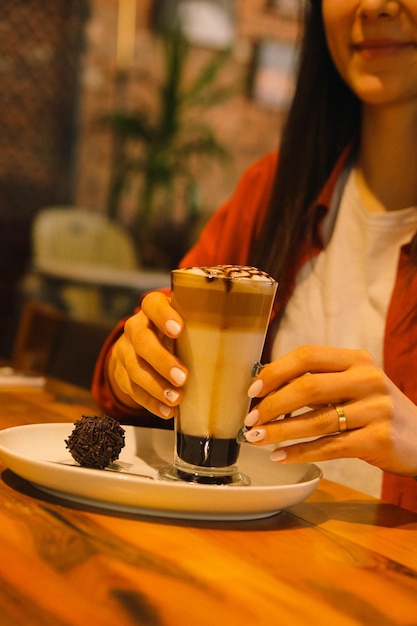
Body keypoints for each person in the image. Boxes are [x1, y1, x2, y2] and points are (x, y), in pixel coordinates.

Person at [92, 0, 417, 512]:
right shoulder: (273, 191)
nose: (374, 6)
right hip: (248, 570)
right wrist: (132, 364)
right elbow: (147, 348)